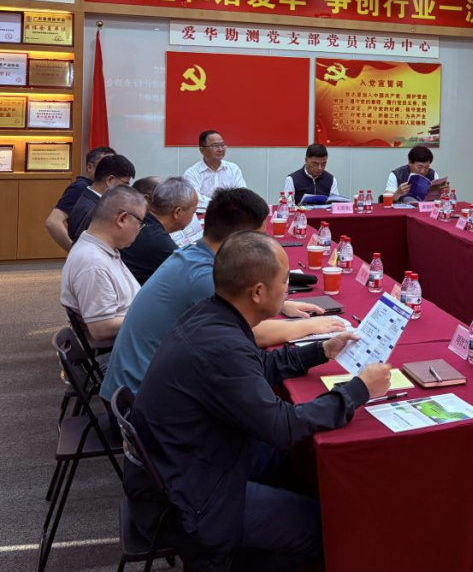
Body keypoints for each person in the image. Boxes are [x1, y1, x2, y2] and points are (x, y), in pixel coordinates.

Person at [123, 231, 392, 572]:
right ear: (258, 292)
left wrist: (322, 350)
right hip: (193, 499)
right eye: (285, 281)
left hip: (190, 461)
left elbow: (258, 366)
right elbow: (283, 426)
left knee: (292, 461)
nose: (288, 289)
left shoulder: (209, 315)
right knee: (326, 526)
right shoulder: (221, 345)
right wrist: (359, 390)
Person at [101, 188, 343, 403]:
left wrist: (282, 305)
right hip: (143, 401)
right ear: (241, 239)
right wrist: (312, 326)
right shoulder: (204, 277)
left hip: (136, 387)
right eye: (260, 237)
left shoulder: (194, 255)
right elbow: (251, 334)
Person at [60, 185, 145, 345]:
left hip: (129, 342)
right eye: (140, 223)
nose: (140, 230)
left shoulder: (101, 249)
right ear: (122, 219)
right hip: (120, 351)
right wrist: (153, 317)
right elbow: (102, 328)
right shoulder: (93, 263)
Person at [120, 177, 199, 284]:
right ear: (177, 212)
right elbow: (192, 279)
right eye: (193, 212)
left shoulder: (140, 220)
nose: (194, 216)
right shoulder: (160, 243)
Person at [44, 145, 115, 252]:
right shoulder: (80, 188)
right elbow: (53, 222)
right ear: (90, 167)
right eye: (104, 166)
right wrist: (74, 250)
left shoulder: (106, 190)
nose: (110, 171)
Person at [67, 154, 137, 242]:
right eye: (125, 184)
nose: (126, 189)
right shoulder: (93, 209)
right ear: (110, 180)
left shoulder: (89, 200)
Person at [184, 129, 247, 212]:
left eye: (222, 145)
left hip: (231, 215)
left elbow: (242, 193)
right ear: (202, 150)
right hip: (204, 215)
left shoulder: (233, 169)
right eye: (215, 146)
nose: (220, 149)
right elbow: (195, 199)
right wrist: (221, 204)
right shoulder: (191, 173)